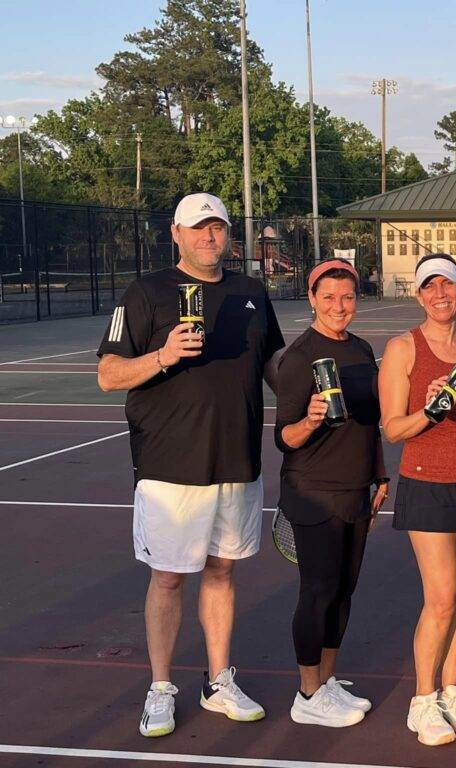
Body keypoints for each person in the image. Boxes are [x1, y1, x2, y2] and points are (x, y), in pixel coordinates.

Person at [96, 193, 285, 737]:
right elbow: (108, 374)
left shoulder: (251, 291)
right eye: (199, 228)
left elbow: (271, 361)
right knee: (169, 578)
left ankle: (219, 680)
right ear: (175, 233)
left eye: (218, 228)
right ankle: (160, 688)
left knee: (222, 570)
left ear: (229, 235)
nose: (210, 237)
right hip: (168, 465)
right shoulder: (145, 292)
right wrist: (162, 356)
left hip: (237, 459)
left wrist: (306, 400)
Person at [378, 253, 456, 746]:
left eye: (447, 285)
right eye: (430, 287)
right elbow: (392, 429)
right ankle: (422, 699)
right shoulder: (403, 348)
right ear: (418, 295)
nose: (440, 295)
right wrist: (430, 410)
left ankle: (451, 690)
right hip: (427, 482)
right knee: (442, 596)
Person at [274, 259, 389, 728]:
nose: (339, 306)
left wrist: (379, 477)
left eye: (347, 297)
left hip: (357, 490)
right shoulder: (300, 358)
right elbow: (285, 436)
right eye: (329, 298)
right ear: (312, 300)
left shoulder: (361, 349)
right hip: (314, 491)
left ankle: (326, 681)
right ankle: (306, 693)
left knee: (345, 589)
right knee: (318, 590)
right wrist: (311, 419)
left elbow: (372, 426)